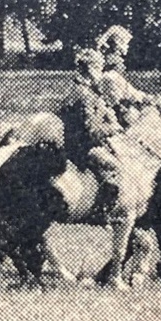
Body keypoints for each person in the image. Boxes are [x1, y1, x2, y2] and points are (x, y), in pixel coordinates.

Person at [59, 48, 125, 218]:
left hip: (78, 143)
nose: (101, 73)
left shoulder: (81, 89)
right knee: (116, 167)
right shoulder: (84, 94)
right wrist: (114, 129)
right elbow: (91, 130)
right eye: (99, 68)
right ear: (89, 69)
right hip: (82, 147)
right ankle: (103, 211)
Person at [94, 25, 161, 127]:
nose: (123, 61)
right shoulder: (109, 77)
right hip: (116, 123)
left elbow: (132, 93)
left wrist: (150, 99)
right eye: (125, 45)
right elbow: (118, 104)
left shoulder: (114, 75)